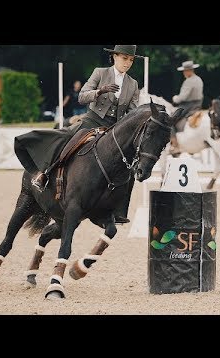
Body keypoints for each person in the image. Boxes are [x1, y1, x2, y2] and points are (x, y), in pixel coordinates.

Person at [14, 45, 143, 224]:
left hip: (113, 130)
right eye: (124, 58)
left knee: (128, 164)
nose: (127, 63)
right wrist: (100, 91)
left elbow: (132, 112)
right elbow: (82, 96)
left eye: (131, 60)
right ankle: (44, 175)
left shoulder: (133, 84)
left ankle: (120, 210)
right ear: (114, 57)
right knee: (66, 143)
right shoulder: (99, 73)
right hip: (92, 122)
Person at [169, 60, 204, 150]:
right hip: (197, 105)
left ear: (189, 71)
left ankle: (174, 144)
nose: (184, 73)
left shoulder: (189, 81)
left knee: (169, 120)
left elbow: (183, 97)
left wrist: (175, 98)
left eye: (185, 71)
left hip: (187, 106)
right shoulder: (199, 79)